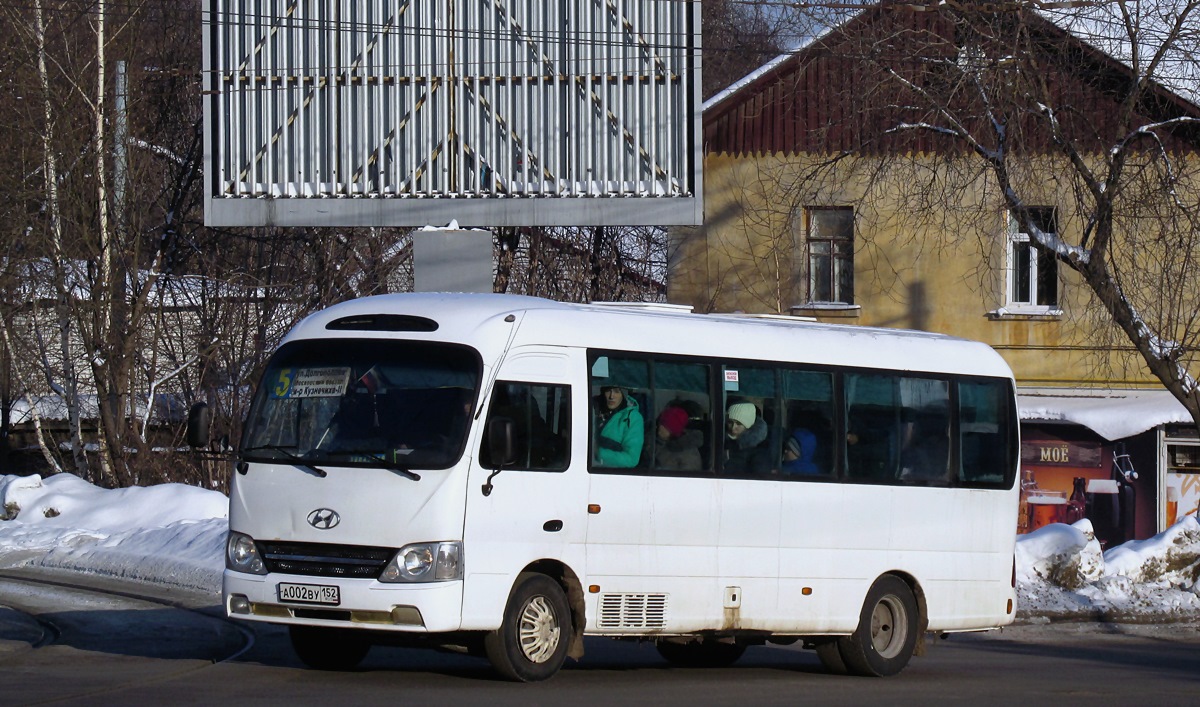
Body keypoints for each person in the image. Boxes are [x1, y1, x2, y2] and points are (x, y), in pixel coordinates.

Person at [594, 385, 644, 467]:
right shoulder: (593, 407)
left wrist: (598, 452)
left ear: (624, 394)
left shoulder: (633, 417)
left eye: (617, 391)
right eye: (608, 391)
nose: (611, 396)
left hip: (610, 474)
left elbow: (631, 459)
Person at [724, 402, 770, 474]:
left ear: (748, 425)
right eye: (730, 422)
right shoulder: (720, 442)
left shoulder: (759, 453)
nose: (733, 427)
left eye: (739, 424)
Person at [653, 405, 702, 470]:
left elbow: (688, 478)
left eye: (665, 426)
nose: (660, 427)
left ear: (674, 430)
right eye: (661, 424)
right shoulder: (653, 441)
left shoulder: (689, 454)